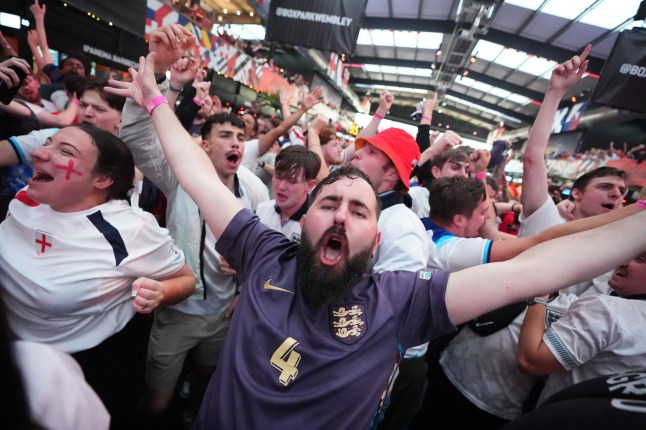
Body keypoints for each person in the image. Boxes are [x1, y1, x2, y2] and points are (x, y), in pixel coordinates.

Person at [109, 45, 646, 430]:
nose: (341, 214)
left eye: (359, 209)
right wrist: (156, 99)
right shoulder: (264, 251)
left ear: (377, 234)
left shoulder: (403, 300)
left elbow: (542, 269)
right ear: (306, 220)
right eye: (329, 203)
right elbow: (198, 178)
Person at [116, 24, 269, 422]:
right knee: (157, 403)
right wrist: (166, 78)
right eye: (225, 135)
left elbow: (266, 250)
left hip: (222, 315)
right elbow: (135, 137)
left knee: (205, 380)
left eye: (240, 136)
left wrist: (246, 280)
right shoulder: (180, 177)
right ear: (204, 144)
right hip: (176, 313)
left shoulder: (253, 190)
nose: (236, 143)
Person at [0, 123, 194, 429]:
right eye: (47, 144)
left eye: (65, 152)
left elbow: (186, 281)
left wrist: (160, 292)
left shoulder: (129, 231)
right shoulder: (28, 196)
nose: (38, 153)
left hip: (80, 367)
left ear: (102, 179)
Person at [517, 251, 646, 406]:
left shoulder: (607, 310)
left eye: (640, 259)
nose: (624, 261)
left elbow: (530, 362)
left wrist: (539, 295)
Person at [256, 145, 320, 242]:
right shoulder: (261, 210)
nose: (281, 186)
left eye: (291, 180)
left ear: (310, 185)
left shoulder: (316, 228)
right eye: (278, 176)